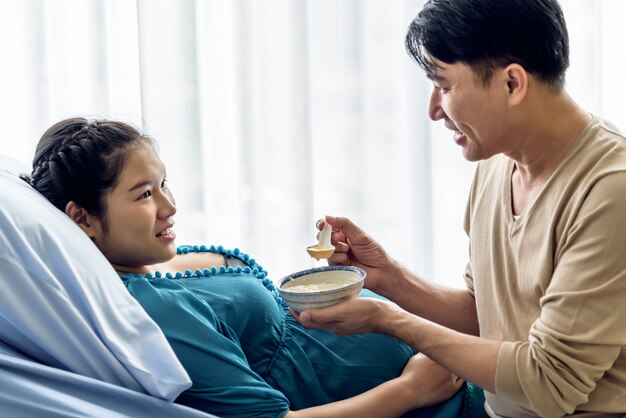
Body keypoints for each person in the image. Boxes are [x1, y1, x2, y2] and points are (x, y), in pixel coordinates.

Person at [293, 0, 626, 417]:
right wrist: (389, 278)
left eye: (445, 86)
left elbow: (550, 384)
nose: (434, 109)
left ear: (512, 84)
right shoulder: (496, 161)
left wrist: (389, 320)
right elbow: (484, 316)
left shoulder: (610, 191)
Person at [24, 117, 464, 418]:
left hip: (440, 361)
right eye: (143, 195)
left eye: (163, 184)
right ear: (82, 218)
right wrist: (410, 391)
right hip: (438, 400)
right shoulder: (150, 314)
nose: (169, 206)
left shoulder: (150, 259)